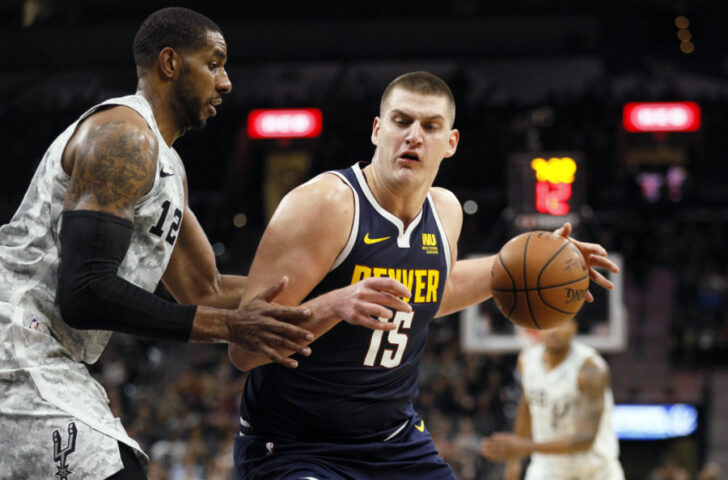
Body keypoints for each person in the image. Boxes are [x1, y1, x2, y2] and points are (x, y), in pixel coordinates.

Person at [0, 7, 408, 480]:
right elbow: (84, 292)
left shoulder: (167, 166)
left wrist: (342, 286)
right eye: (214, 64)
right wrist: (232, 326)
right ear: (170, 63)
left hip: (45, 352)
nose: (227, 82)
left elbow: (205, 288)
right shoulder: (123, 139)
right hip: (15, 340)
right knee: (115, 470)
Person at [228, 71, 621, 479]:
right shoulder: (324, 205)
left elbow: (439, 290)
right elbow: (245, 351)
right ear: (377, 131)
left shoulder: (445, 210)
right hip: (296, 445)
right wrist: (334, 303)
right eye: (402, 122)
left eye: (431, 126)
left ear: (450, 143)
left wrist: (537, 261)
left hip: (393, 441)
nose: (414, 135)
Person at [480, 317, 625, 480]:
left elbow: (585, 439)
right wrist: (514, 460)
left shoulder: (592, 369)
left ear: (574, 328)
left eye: (561, 323)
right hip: (548, 468)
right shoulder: (527, 360)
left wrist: (521, 447)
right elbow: (527, 408)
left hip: (594, 470)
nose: (554, 331)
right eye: (548, 324)